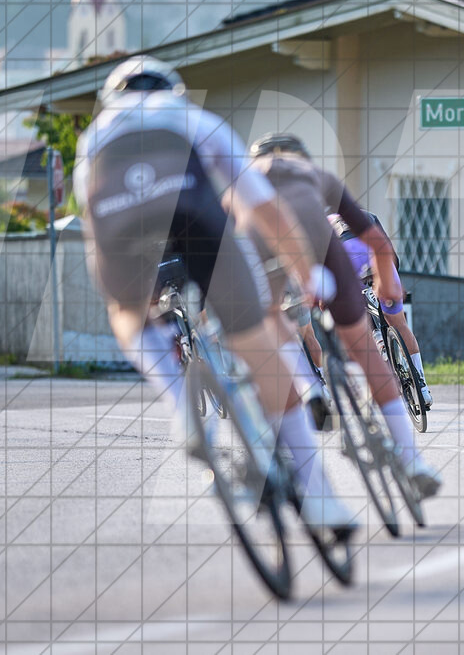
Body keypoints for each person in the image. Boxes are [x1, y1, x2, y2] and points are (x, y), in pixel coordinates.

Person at [72, 57, 358, 537]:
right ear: (174, 90)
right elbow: (262, 207)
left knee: (127, 314)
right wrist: (306, 272)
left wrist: (124, 294)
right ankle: (321, 496)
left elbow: (92, 226)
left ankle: (180, 405)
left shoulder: (94, 137)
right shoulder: (194, 119)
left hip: (121, 226)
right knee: (258, 341)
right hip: (194, 219)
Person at [242, 133, 441, 498]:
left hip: (274, 255)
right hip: (343, 258)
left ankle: (311, 388)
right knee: (368, 345)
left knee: (275, 328)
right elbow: (381, 245)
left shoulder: (243, 185)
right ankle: (413, 460)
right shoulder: (319, 177)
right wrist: (387, 280)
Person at [327, 211, 434, 409]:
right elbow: (392, 256)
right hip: (377, 255)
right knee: (399, 323)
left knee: (358, 318)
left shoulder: (321, 224)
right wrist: (389, 281)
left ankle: (378, 344)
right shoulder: (367, 215)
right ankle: (423, 388)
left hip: (347, 258)